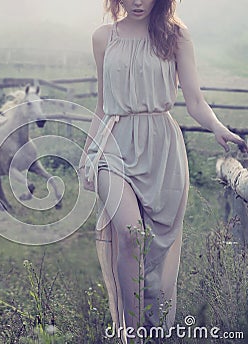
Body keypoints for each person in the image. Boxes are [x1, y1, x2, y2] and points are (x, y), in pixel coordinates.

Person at [78, 0, 247, 342]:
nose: (137, 1)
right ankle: (131, 332)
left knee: (155, 246)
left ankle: (151, 326)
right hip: (114, 143)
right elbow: (102, 101)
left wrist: (217, 127)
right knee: (128, 234)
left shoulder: (176, 36)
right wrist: (88, 152)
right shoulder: (102, 38)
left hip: (162, 148)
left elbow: (195, 101)